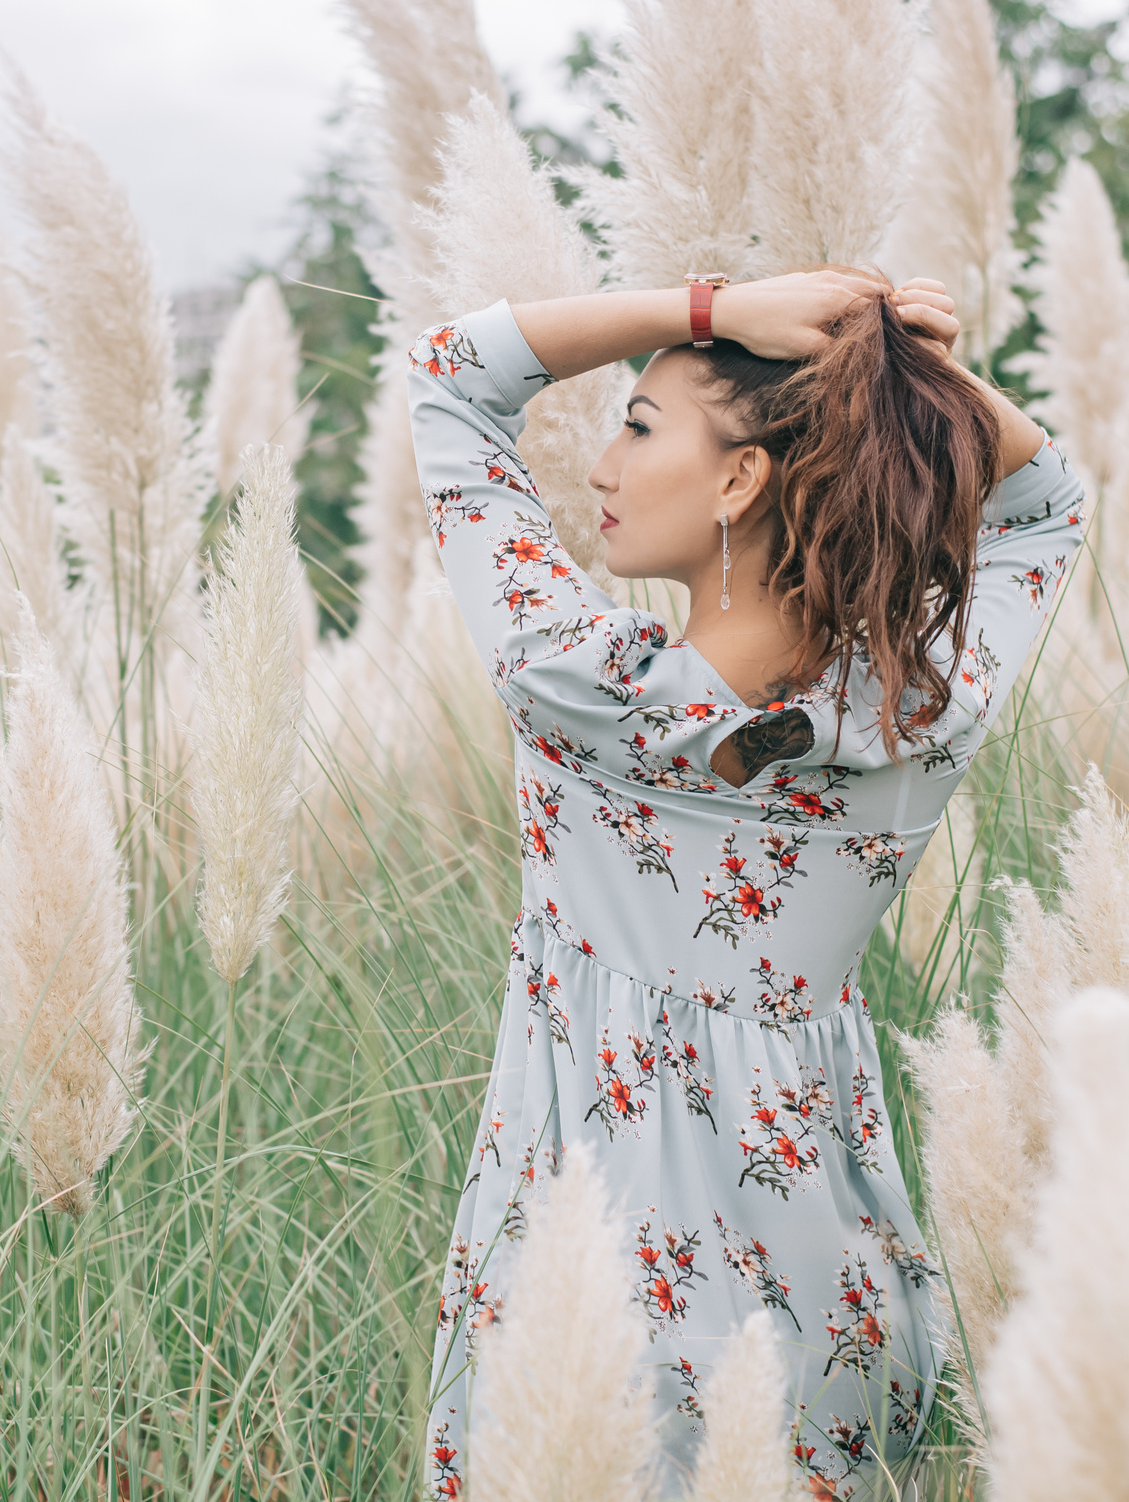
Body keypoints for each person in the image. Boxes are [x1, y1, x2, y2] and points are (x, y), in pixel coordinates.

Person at [409, 269, 1085, 1499]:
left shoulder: (583, 692)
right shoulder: (928, 712)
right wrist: (896, 367)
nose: (603, 467)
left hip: (593, 1289)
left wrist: (709, 309)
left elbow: (455, 373)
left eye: (637, 425)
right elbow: (1046, 500)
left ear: (738, 481)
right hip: (827, 1289)